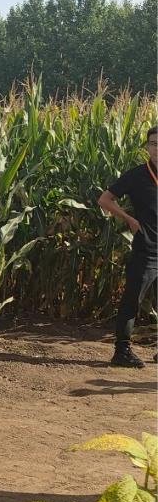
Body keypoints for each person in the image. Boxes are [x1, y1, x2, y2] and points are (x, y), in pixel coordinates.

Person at [97, 125, 157, 368]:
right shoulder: (137, 175)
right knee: (132, 300)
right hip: (146, 250)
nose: (157, 148)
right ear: (147, 147)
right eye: (153, 144)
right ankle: (122, 352)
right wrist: (129, 219)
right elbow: (104, 199)